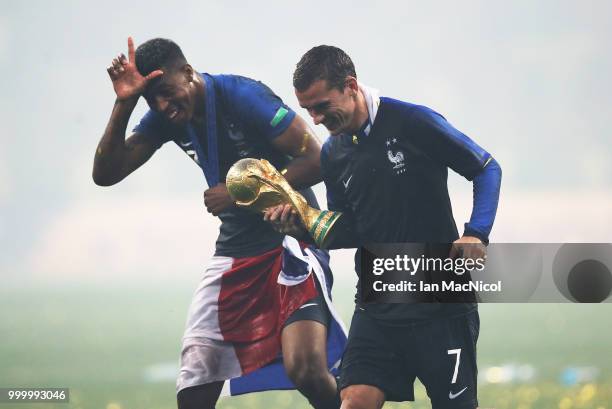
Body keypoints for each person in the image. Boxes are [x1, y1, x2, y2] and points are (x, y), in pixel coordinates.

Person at [93, 37, 346, 409]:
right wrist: (124, 103)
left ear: (188, 73)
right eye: (152, 100)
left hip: (291, 241)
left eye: (166, 92)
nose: (163, 105)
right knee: (193, 387)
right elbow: (106, 173)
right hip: (235, 255)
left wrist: (240, 190)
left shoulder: (242, 96)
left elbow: (317, 158)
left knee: (306, 370)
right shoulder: (165, 117)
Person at [264, 45, 502, 409]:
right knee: (354, 401)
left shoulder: (412, 122)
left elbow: (486, 168)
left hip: (440, 302)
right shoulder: (333, 153)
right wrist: (301, 226)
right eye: (308, 109)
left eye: (322, 106)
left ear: (351, 85)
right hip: (377, 305)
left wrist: (476, 232)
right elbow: (350, 229)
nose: (314, 119)